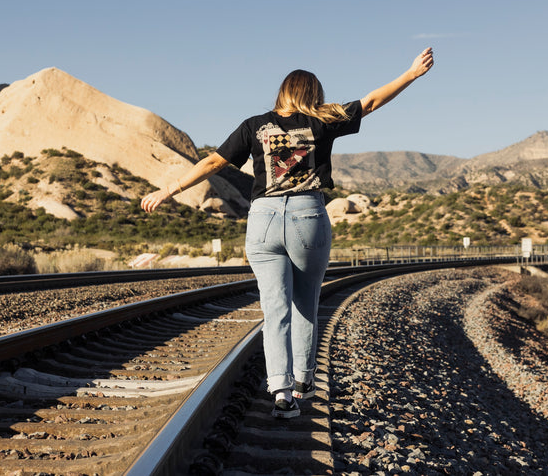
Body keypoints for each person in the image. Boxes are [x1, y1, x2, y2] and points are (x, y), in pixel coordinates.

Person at [141, 47, 434, 418]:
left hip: (262, 219)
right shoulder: (323, 120)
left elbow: (214, 161)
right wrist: (411, 74)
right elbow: (372, 101)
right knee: (305, 303)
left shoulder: (254, 126)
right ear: (312, 94)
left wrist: (169, 190)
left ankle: (281, 391)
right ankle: (303, 381)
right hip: (307, 215)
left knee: (274, 307)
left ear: (282, 92)